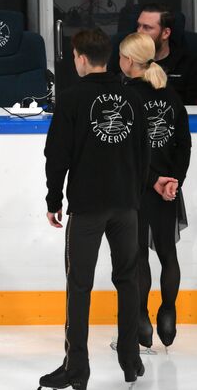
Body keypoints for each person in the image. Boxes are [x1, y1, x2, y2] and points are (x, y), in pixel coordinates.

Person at [40, 28, 149, 390]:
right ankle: (130, 361)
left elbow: (56, 156)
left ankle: (77, 368)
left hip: (87, 207)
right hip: (126, 207)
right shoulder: (132, 98)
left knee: (79, 286)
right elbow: (143, 155)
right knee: (128, 281)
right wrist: (133, 196)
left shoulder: (71, 99)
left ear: (81, 58)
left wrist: (53, 200)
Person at [119, 32, 191, 349]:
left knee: (137, 258)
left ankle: (140, 319)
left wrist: (153, 182)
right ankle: (168, 310)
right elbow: (184, 146)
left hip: (137, 188)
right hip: (167, 190)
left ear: (130, 61)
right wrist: (173, 180)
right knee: (167, 253)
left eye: (121, 57)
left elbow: (127, 152)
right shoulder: (171, 95)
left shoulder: (124, 98)